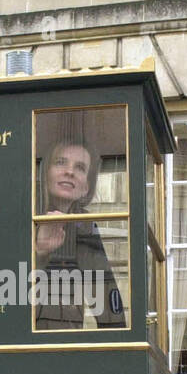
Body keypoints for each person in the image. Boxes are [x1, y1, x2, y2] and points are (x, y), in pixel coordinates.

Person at [33, 139, 126, 330]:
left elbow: (104, 293)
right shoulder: (23, 214)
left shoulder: (85, 226)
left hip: (70, 342)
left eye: (80, 168)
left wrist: (118, 344)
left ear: (86, 187)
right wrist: (39, 253)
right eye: (60, 162)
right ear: (44, 173)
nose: (70, 171)